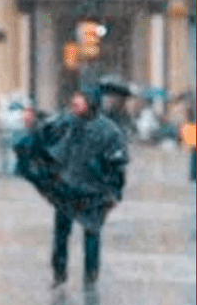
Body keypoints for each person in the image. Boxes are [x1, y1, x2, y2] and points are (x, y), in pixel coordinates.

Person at [17, 89, 127, 286]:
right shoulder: (66, 123)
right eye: (74, 102)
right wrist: (32, 124)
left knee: (92, 236)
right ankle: (59, 274)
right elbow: (43, 136)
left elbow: (117, 165)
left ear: (90, 102)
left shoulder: (108, 130)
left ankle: (90, 277)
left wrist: (115, 192)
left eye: (79, 102)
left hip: (94, 192)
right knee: (61, 235)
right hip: (66, 190)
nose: (75, 106)